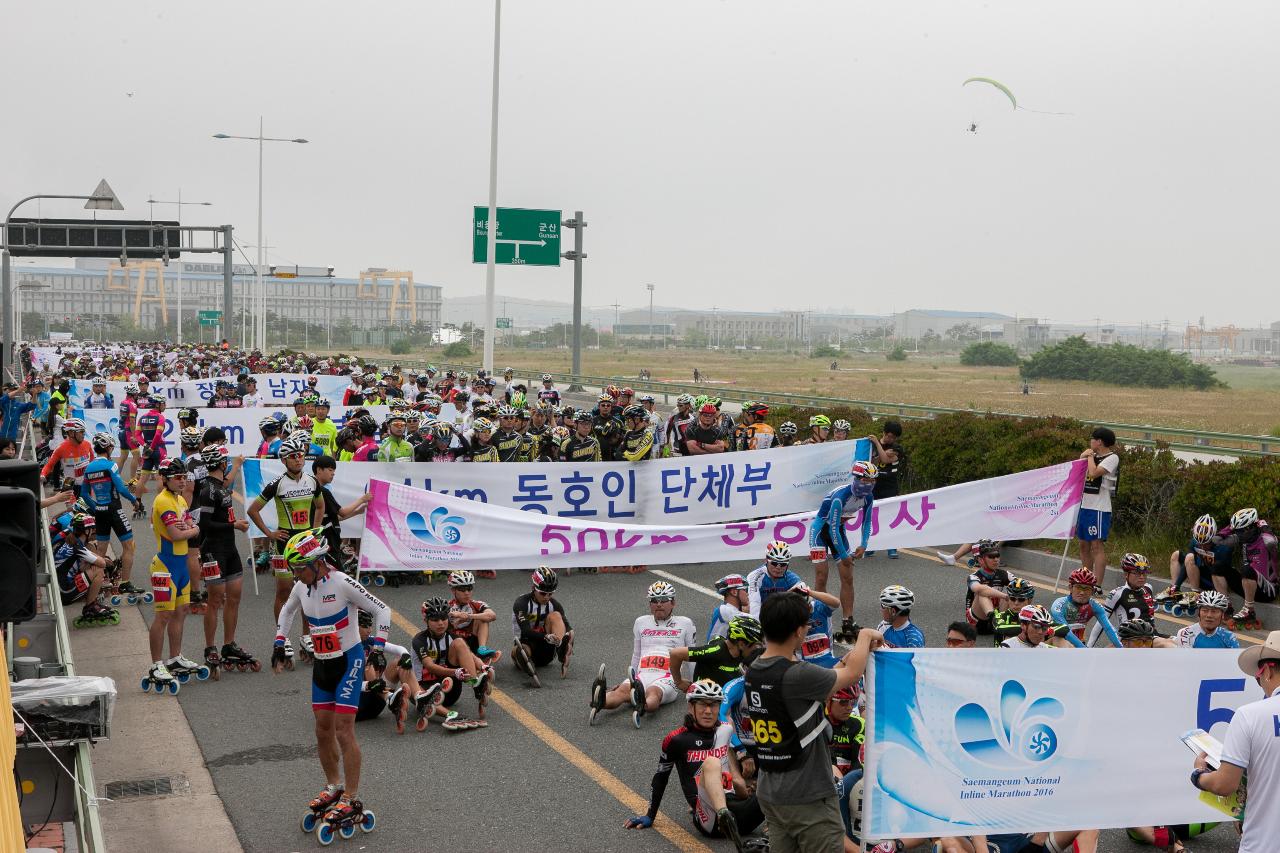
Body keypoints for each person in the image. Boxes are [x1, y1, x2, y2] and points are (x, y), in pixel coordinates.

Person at [271, 529, 391, 831]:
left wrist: (377, 648)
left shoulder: (341, 583)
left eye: (300, 568)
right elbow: (286, 613)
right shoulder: (301, 586)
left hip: (349, 662)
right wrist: (278, 642)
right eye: (294, 569)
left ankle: (350, 796)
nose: (296, 574)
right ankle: (333, 785)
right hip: (323, 666)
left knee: (343, 730)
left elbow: (382, 610)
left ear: (317, 562)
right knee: (322, 730)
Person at [746, 592, 882, 853]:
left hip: (772, 791)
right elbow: (852, 674)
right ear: (798, 631)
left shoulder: (756, 668)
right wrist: (864, 636)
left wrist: (853, 655)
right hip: (807, 795)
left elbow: (831, 675)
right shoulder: (798, 675)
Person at [624, 679, 765, 847]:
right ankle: (723, 814)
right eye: (703, 705)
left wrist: (739, 781)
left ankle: (779, 831)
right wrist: (650, 815)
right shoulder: (676, 740)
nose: (708, 711)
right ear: (691, 707)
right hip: (709, 820)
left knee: (777, 776)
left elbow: (728, 758)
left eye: (713, 705)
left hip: (738, 811)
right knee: (711, 762)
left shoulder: (726, 730)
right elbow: (661, 778)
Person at [1189, 629, 1280, 853]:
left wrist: (1199, 775)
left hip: (1265, 843)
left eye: (1258, 678)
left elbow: (1224, 785)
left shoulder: (1250, 715)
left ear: (1267, 670)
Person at [247, 432, 325, 664]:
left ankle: (306, 636)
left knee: (309, 590)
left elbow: (320, 507)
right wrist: (269, 533)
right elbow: (253, 510)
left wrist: (314, 530)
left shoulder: (312, 481)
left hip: (306, 543)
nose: (298, 459)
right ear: (284, 460)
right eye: (292, 456)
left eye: (300, 455)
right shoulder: (277, 483)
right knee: (283, 591)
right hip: (283, 542)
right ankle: (283, 638)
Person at [589, 581, 696, 728]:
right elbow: (637, 654)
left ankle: (642, 704)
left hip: (667, 675)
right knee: (622, 691)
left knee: (654, 693)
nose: (659, 604)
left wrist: (695, 685)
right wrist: (630, 677)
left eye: (664, 600)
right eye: (654, 600)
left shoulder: (685, 623)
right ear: (649, 604)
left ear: (673, 603)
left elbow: (692, 657)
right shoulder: (641, 622)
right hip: (642, 674)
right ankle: (601, 700)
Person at [193, 445, 255, 673]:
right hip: (213, 551)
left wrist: (237, 465)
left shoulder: (220, 485)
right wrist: (234, 525)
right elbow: (205, 525)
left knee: (235, 598)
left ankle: (229, 644)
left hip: (230, 550)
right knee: (215, 600)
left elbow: (226, 482)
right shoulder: (207, 489)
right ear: (220, 464)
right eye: (226, 462)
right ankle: (210, 647)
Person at [144, 459, 204, 691]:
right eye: (177, 477)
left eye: (184, 477)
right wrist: (192, 529)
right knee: (164, 616)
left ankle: (174, 658)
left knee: (181, 612)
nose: (183, 480)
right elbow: (177, 534)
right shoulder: (163, 501)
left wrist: (189, 528)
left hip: (181, 566)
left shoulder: (179, 499)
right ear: (165, 479)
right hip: (165, 566)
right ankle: (156, 664)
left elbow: (187, 527)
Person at [808, 460, 878, 642]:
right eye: (865, 480)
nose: (868, 485)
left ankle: (848, 620)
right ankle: (819, 617)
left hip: (838, 531)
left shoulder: (868, 497)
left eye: (872, 481)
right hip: (820, 533)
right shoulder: (840, 497)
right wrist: (845, 555)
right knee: (822, 576)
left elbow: (867, 522)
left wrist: (864, 544)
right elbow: (830, 529)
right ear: (856, 478)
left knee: (848, 577)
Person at [80, 432, 144, 599]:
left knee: (101, 550)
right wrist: (134, 501)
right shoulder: (111, 465)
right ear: (108, 448)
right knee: (129, 546)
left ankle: (98, 582)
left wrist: (96, 508)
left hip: (100, 511)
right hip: (114, 510)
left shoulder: (89, 467)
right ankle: (125, 583)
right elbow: (122, 489)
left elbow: (84, 494)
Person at [412, 596, 492, 727]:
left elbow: (470, 655)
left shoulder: (451, 636)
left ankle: (475, 684)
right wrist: (455, 672)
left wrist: (483, 667)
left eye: (443, 618)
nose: (441, 623)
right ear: (426, 620)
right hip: (425, 688)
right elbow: (429, 666)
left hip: (450, 690)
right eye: (435, 619)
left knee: (461, 643)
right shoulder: (419, 640)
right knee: (412, 687)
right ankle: (451, 715)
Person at [1212, 507, 1278, 631]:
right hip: (1248, 585)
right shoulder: (1244, 539)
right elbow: (1217, 540)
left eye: (1241, 531)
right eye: (1237, 531)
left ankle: (1249, 611)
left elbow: (1272, 543)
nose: (1238, 534)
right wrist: (1231, 527)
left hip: (1268, 590)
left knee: (1247, 569)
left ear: (1251, 528)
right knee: (1217, 567)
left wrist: (1263, 524)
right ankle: (1226, 605)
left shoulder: (1265, 538)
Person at [511, 567, 574, 688]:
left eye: (550, 593)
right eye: (543, 593)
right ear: (533, 588)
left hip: (547, 651)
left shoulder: (554, 604)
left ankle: (561, 647)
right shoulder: (521, 603)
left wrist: (568, 637)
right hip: (527, 644)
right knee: (519, 650)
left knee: (556, 615)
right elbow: (525, 631)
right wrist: (545, 636)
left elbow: (567, 627)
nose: (547, 597)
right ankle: (529, 667)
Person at [54, 513, 119, 628]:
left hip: (58, 587)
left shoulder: (71, 539)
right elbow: (102, 563)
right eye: (93, 529)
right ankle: (90, 607)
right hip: (64, 592)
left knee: (92, 558)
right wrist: (102, 560)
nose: (94, 531)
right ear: (87, 531)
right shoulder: (77, 547)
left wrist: (98, 559)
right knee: (98, 569)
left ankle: (92, 600)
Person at [668, 615, 764, 691]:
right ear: (742, 644)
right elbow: (676, 654)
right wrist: (679, 682)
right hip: (706, 703)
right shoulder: (715, 651)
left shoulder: (741, 652)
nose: (757, 649)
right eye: (756, 646)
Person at [1157, 514, 1231, 608]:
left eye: (1205, 544)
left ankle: (1195, 594)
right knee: (1176, 555)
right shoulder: (1194, 542)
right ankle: (1174, 590)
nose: (1202, 547)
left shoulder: (1222, 548)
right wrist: (1177, 585)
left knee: (1190, 557)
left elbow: (1225, 573)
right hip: (1199, 574)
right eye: (1199, 544)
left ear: (1213, 538)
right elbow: (1187, 563)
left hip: (1213, 580)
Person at [1077, 426, 1119, 587]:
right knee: (1083, 544)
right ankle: (1085, 580)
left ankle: (1097, 584)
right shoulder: (1091, 455)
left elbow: (1094, 473)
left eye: (1093, 439)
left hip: (1099, 507)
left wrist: (1089, 457)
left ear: (1099, 442)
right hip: (1085, 505)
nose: (1091, 442)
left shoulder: (1112, 457)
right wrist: (1084, 456)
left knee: (1096, 545)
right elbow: (1079, 473)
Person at [1090, 553, 1155, 648]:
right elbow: (1101, 622)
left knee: (1175, 642)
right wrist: (1088, 647)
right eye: (1136, 573)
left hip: (1150, 637)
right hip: (1128, 639)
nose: (1141, 577)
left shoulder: (1148, 588)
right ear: (1126, 574)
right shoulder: (1116, 594)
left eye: (1144, 573)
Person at [312, 456, 370, 562]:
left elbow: (334, 518)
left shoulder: (311, 488)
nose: (333, 473)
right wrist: (362, 499)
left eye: (334, 471)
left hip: (320, 538)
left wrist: (357, 511)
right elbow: (342, 513)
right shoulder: (322, 491)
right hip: (327, 538)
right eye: (330, 470)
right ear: (319, 470)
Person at [1049, 567, 1122, 649]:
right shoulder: (1059, 605)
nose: (1082, 592)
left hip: (1079, 644)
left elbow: (1109, 628)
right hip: (1056, 643)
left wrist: (1121, 648)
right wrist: (1084, 650)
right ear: (1070, 587)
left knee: (1117, 646)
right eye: (1078, 587)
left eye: (1087, 589)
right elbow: (1066, 632)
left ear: (1093, 591)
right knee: (1063, 641)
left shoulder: (1094, 606)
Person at [445, 570, 501, 662]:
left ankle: (482, 650)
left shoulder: (477, 604)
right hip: (454, 645)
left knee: (483, 618)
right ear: (453, 590)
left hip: (472, 642)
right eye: (462, 589)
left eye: (469, 588)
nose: (467, 593)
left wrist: (468, 616)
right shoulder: (446, 606)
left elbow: (492, 615)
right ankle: (478, 661)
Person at [868, 423, 905, 559]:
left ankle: (892, 547)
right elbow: (871, 461)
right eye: (889, 436)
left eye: (893, 438)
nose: (890, 439)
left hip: (890, 486)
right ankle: (870, 546)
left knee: (891, 517)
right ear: (884, 432)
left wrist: (878, 444)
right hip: (873, 485)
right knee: (871, 517)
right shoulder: (872, 445)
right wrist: (880, 451)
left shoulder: (897, 448)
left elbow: (884, 459)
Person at [963, 540, 1009, 635]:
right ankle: (993, 617)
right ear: (980, 560)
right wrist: (1004, 596)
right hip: (977, 621)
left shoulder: (1004, 574)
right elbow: (978, 589)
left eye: (997, 555)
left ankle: (1002, 622)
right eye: (991, 556)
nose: (996, 559)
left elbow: (1023, 586)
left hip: (997, 617)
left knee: (1016, 589)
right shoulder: (973, 577)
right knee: (982, 592)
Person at [746, 541, 803, 617]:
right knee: (746, 608)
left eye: (783, 564)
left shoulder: (792, 578)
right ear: (766, 560)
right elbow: (754, 603)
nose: (778, 567)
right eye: (774, 563)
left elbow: (803, 602)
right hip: (761, 611)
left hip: (780, 612)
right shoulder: (755, 576)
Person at [1171, 590, 1239, 649]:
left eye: (1214, 611)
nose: (1209, 615)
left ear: (1222, 615)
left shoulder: (1229, 637)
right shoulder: (1186, 634)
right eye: (1205, 610)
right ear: (1199, 613)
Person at [708, 574, 749, 642]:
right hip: (719, 652)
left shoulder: (728, 608)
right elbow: (755, 621)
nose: (747, 594)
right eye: (745, 590)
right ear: (734, 592)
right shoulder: (724, 610)